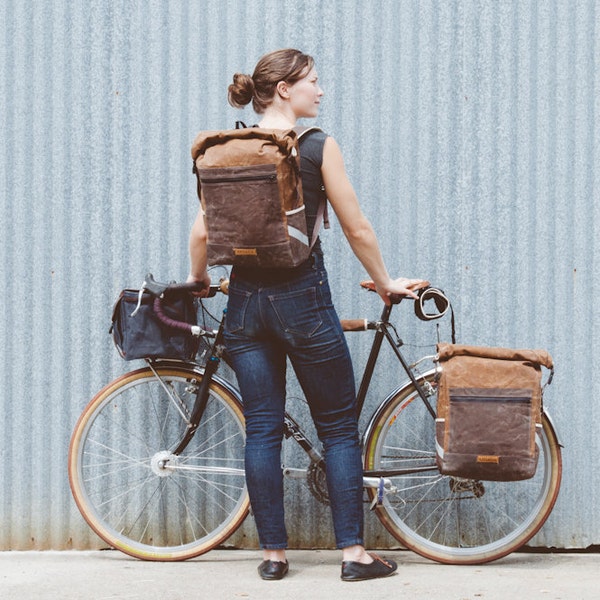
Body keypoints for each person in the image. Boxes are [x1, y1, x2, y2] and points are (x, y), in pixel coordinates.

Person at [188, 48, 424, 581]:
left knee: (262, 431)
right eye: (313, 82)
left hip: (244, 304)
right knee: (339, 429)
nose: (321, 90)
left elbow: (202, 232)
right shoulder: (316, 147)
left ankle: (273, 556)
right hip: (304, 300)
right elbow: (356, 226)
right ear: (285, 90)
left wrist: (201, 280)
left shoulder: (229, 149)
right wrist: (385, 282)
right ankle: (353, 556)